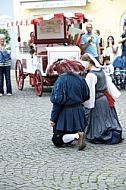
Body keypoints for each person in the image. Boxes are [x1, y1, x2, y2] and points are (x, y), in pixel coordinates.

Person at [80, 53, 123, 144]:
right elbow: (109, 85)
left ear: (89, 62)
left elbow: (90, 92)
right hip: (105, 99)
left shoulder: (91, 75)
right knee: (107, 119)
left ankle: (102, 133)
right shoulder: (101, 71)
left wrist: (88, 105)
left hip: (98, 101)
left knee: (100, 121)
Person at [47, 59, 90, 150]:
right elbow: (86, 95)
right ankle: (76, 135)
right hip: (78, 110)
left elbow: (57, 101)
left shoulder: (61, 80)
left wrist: (53, 119)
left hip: (66, 112)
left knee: (56, 140)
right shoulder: (80, 78)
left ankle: (77, 136)